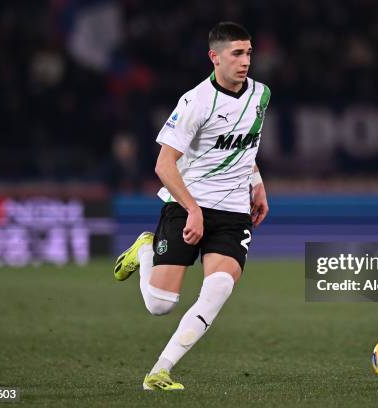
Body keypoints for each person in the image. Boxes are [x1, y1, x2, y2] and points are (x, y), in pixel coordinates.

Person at [113, 21, 270, 391]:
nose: (245, 60)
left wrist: (257, 184)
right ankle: (147, 247)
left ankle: (160, 371)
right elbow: (163, 165)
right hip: (187, 204)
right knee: (160, 305)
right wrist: (194, 210)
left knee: (218, 287)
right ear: (214, 57)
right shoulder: (195, 101)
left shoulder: (261, 94)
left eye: (248, 52)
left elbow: (247, 146)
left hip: (233, 211)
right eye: (236, 53)